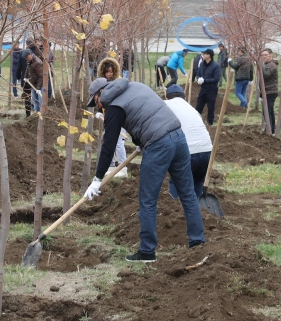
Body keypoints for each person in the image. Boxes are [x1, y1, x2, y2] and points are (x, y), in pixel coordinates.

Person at [83, 76, 206, 262]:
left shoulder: (113, 106)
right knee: (188, 193)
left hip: (159, 144)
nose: (98, 106)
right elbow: (146, 113)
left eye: (96, 101)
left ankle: (147, 251)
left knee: (147, 199)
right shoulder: (135, 85)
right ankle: (198, 242)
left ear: (101, 93)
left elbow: (108, 146)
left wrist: (97, 179)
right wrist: (140, 142)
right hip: (179, 137)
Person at [163, 84, 213, 198]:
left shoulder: (165, 105)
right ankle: (200, 211)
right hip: (207, 151)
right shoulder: (191, 109)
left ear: (167, 97)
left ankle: (175, 210)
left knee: (177, 182)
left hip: (188, 152)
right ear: (184, 97)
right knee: (198, 181)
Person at [96, 57, 129, 169]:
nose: (109, 74)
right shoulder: (101, 83)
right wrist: (100, 112)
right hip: (108, 115)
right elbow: (100, 100)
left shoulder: (118, 84)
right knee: (108, 140)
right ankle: (110, 166)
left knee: (119, 141)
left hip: (119, 114)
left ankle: (122, 166)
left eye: (111, 72)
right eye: (107, 72)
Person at [192, 48, 222, 125]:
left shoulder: (216, 66)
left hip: (211, 89)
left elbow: (216, 79)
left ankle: (210, 123)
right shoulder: (202, 64)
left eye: (204, 54)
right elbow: (198, 74)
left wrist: (205, 80)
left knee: (210, 107)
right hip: (203, 89)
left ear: (209, 55)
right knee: (198, 106)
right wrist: (198, 79)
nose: (203, 55)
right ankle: (195, 122)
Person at [259, 48, 279, 134]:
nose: (264, 57)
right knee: (268, 111)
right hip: (266, 91)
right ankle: (271, 129)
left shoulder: (272, 65)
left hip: (270, 92)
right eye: (262, 55)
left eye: (266, 55)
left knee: (267, 111)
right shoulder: (267, 64)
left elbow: (266, 75)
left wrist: (260, 66)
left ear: (271, 55)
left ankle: (270, 130)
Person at [22, 50, 44, 116]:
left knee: (40, 102)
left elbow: (41, 76)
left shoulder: (37, 63)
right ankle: (36, 116)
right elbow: (28, 68)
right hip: (34, 84)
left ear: (30, 54)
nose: (26, 59)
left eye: (26, 57)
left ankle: (42, 116)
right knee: (35, 102)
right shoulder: (30, 61)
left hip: (40, 85)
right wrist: (25, 77)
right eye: (25, 58)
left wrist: (39, 88)